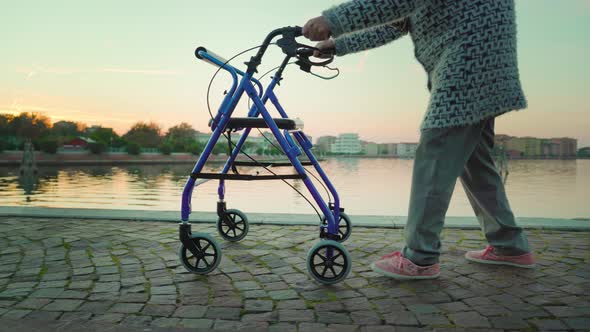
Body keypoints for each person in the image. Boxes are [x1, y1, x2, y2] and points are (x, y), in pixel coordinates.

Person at [302, 0, 535, 280]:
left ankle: (419, 257)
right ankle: (509, 245)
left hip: (468, 60)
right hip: (482, 61)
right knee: (475, 162)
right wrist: (339, 44)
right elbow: (397, 21)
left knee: (435, 153)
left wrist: (333, 20)